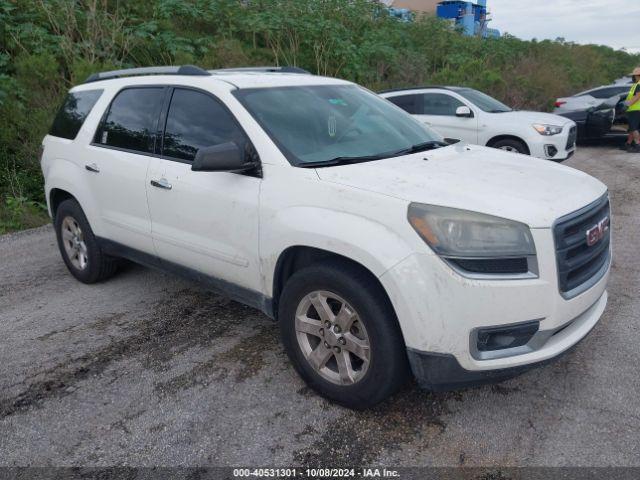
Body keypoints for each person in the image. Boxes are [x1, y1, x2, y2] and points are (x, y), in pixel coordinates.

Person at [623, 67, 640, 153]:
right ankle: (628, 144)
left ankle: (638, 145)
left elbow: (637, 96)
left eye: (634, 76)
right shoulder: (636, 84)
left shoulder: (638, 84)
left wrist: (628, 104)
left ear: (638, 76)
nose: (633, 77)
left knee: (634, 128)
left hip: (635, 109)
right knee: (633, 128)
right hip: (635, 109)